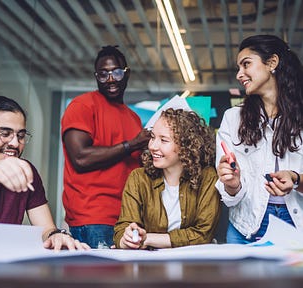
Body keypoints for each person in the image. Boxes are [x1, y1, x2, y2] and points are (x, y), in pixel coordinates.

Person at [0, 95, 90, 251]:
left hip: (4, 266)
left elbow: (46, 229)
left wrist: (56, 235)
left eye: (20, 136)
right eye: (5, 134)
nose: (14, 143)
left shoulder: (26, 171)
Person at [216, 34, 303, 244]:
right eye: (238, 67)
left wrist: (296, 179)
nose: (239, 74)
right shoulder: (232, 118)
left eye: (246, 64)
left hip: (296, 225)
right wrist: (232, 183)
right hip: (244, 229)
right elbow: (230, 196)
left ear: (272, 62)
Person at [61, 45, 151, 248]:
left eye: (116, 72)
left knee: (122, 279)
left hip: (127, 217)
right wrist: (132, 144)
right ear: (96, 76)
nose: (110, 79)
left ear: (126, 73)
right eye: (103, 74)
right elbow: (80, 158)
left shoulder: (133, 117)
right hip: (93, 216)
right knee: (99, 279)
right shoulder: (82, 105)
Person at [113, 108, 220, 249]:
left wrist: (147, 239)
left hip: (194, 265)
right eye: (152, 137)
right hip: (150, 266)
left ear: (186, 146)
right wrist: (126, 239)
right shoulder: (138, 178)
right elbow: (122, 230)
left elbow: (203, 234)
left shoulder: (207, 177)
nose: (152, 146)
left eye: (163, 140)